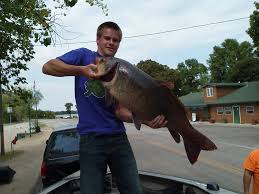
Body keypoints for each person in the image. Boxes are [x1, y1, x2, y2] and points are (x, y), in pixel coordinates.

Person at [42, 21, 167, 194]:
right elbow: (47, 67)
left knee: (134, 190)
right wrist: (81, 70)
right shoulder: (83, 56)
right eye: (107, 38)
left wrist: (147, 121)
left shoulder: (121, 69)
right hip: (90, 139)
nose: (110, 42)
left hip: (118, 138)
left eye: (115, 40)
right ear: (98, 40)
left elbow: (120, 111)